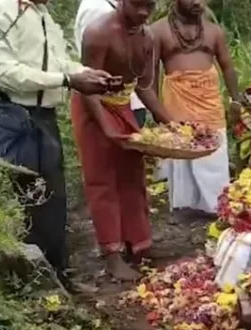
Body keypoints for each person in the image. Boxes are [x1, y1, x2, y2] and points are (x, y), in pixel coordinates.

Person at [0, 0, 113, 292]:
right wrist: (66, 80)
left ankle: (59, 278)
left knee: (51, 199)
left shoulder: (40, 12)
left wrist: (86, 74)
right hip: (2, 118)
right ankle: (24, 289)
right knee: (17, 201)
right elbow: (3, 71)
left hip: (40, 117)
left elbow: (56, 61)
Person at [72, 0, 176, 280]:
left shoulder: (148, 36)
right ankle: (112, 255)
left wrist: (170, 123)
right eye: (137, 5)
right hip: (93, 106)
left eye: (149, 6)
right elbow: (88, 88)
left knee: (132, 174)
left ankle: (139, 245)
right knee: (102, 179)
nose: (143, 13)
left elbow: (143, 86)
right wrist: (106, 127)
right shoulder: (98, 33)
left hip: (123, 106)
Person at [151, 0, 240, 222]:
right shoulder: (158, 31)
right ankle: (186, 206)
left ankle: (216, 205)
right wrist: (155, 109)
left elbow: (227, 65)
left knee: (214, 153)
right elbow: (151, 72)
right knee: (182, 150)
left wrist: (235, 100)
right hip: (177, 102)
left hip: (209, 102)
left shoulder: (213, 30)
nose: (198, 2)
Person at [74, 0, 148, 128]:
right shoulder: (97, 9)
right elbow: (91, 73)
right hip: (103, 107)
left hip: (129, 102)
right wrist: (107, 125)